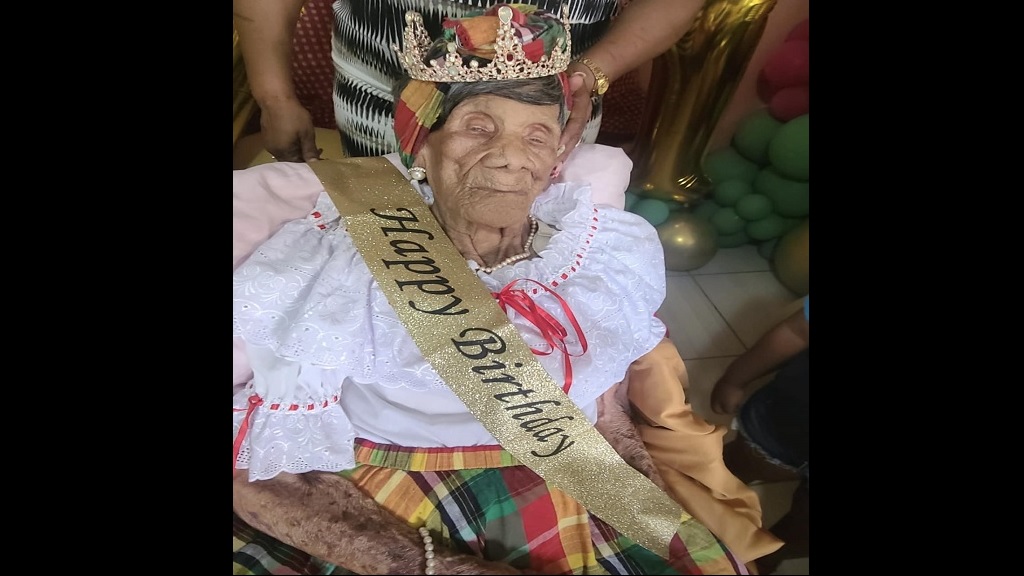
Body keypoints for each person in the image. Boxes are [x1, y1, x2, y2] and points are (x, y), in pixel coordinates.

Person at [233, 5, 781, 574]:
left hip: (570, 472)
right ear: (420, 146)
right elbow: (267, 469)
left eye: (538, 134)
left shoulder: (597, 256)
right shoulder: (336, 266)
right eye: (478, 128)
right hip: (395, 501)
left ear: (557, 156)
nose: (514, 156)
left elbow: (601, 408)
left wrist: (643, 510)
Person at [232, 0, 705, 163]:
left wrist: (593, 71)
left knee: (514, 248)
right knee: (390, 247)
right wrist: (274, 95)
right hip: (377, 104)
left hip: (559, 104)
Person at [710, 297, 809, 574]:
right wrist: (734, 379)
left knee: (803, 526)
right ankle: (689, 500)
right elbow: (796, 332)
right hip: (784, 424)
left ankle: (769, 555)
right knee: (727, 469)